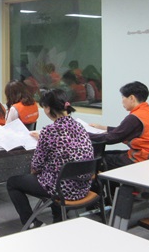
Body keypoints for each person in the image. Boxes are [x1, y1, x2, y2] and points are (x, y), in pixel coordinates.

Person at [6, 89, 94, 227]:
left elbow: (36, 166)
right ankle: (58, 218)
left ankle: (31, 223)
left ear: (47, 108)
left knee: (13, 182)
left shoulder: (49, 131)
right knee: (54, 174)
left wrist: (36, 171)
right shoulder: (80, 127)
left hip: (62, 190)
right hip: (83, 187)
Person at [90, 81, 149, 169]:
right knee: (109, 154)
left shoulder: (135, 117)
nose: (122, 101)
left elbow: (112, 138)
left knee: (97, 158)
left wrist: (85, 135)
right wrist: (104, 128)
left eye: (123, 97)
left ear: (131, 98)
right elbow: (126, 131)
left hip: (140, 160)